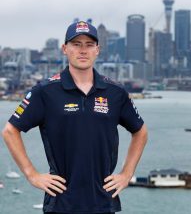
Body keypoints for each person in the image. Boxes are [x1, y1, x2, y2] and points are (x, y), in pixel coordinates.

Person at [2, 21, 148, 214]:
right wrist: (32, 174)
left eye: (89, 45)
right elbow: (10, 131)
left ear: (98, 50)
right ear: (65, 49)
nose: (83, 50)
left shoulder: (115, 92)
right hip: (61, 203)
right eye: (76, 44)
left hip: (103, 201)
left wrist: (126, 174)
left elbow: (140, 131)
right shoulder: (45, 91)